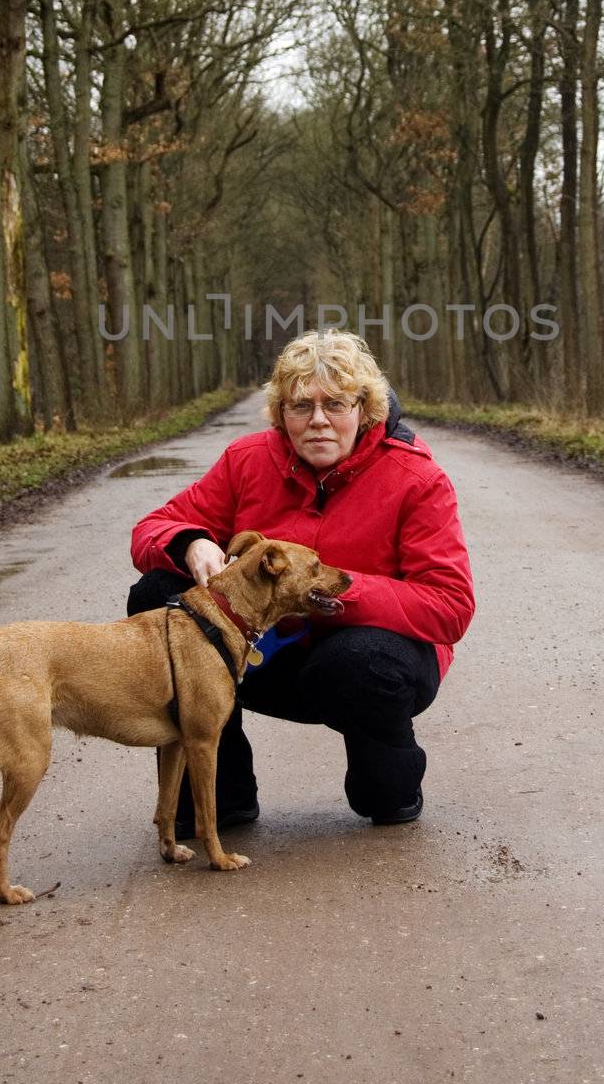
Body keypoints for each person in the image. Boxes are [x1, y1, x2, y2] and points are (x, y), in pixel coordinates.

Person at [127, 329, 474, 832]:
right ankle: (219, 794)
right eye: (299, 406)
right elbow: (152, 529)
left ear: (364, 408)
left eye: (334, 404)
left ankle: (390, 783)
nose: (317, 421)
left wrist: (328, 591)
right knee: (158, 593)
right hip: (262, 654)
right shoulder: (247, 460)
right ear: (280, 413)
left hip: (360, 663)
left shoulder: (417, 479)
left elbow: (450, 605)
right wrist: (190, 542)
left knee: (360, 660)